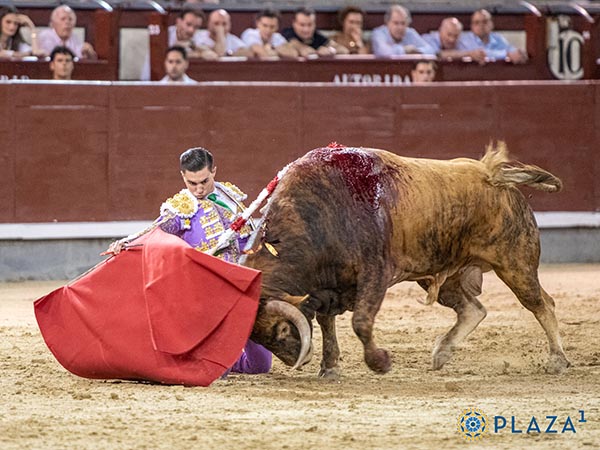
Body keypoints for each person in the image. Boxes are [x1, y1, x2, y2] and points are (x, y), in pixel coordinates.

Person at [107, 147, 271, 374]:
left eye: (204, 181)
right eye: (192, 183)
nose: (199, 189)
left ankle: (218, 360)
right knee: (216, 371)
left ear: (214, 171)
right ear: (183, 176)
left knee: (260, 366)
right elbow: (157, 231)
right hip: (209, 296)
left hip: (245, 288)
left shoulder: (230, 195)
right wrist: (127, 243)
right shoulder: (181, 209)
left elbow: (249, 236)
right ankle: (208, 359)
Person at [459, 9, 528, 64]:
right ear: (472, 26)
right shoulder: (464, 40)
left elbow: (510, 50)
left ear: (491, 24)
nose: (481, 25)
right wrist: (506, 54)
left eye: (485, 22)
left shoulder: (497, 38)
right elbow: (483, 54)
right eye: (477, 23)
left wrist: (518, 53)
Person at [281, 7, 349, 57]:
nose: (306, 29)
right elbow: (297, 45)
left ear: (314, 24)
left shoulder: (317, 36)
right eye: (302, 25)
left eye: (309, 25)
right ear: (294, 24)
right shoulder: (286, 33)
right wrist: (316, 52)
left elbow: (344, 50)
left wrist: (331, 50)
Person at [421, 17, 486, 64]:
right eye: (449, 35)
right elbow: (438, 55)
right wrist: (468, 54)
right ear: (440, 31)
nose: (452, 39)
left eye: (456, 36)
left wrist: (478, 55)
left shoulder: (462, 41)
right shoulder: (427, 40)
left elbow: (475, 52)